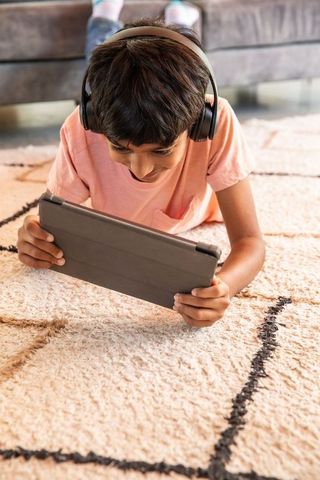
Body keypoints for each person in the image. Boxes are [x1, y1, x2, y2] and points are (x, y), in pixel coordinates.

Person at [17, 4, 265, 329]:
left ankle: (179, 17)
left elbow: (251, 242)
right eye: (120, 147)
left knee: (180, 48)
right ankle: (121, 14)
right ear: (95, 122)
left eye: (161, 150)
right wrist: (33, 239)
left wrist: (225, 287)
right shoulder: (81, 130)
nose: (142, 168)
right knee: (106, 48)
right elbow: (51, 223)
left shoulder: (217, 124)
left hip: (198, 213)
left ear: (199, 125)